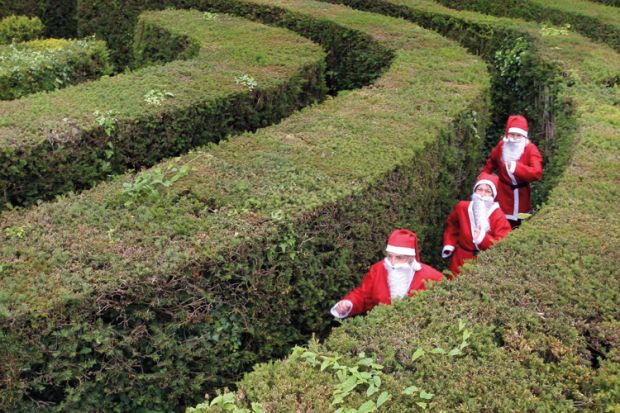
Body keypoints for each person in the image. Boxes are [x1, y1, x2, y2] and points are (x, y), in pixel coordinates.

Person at [331, 229, 443, 318]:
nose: (393, 263)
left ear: (410, 257)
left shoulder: (432, 277)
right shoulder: (378, 269)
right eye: (390, 256)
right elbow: (363, 295)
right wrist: (349, 304)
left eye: (399, 258)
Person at [442, 172, 511, 276]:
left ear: (493, 195)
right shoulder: (462, 207)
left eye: (487, 191)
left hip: (484, 260)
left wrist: (483, 238)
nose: (482, 194)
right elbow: (452, 224)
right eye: (480, 190)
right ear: (474, 191)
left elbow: (503, 243)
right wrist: (449, 243)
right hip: (460, 258)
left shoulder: (498, 216)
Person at [481, 115, 543, 228]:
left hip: (522, 196)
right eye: (512, 135)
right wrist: (482, 182)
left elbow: (537, 173)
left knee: (521, 222)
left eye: (518, 135)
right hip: (502, 194)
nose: (514, 138)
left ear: (524, 136)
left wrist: (516, 167)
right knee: (501, 222)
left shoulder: (530, 149)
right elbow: (490, 164)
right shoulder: (502, 146)